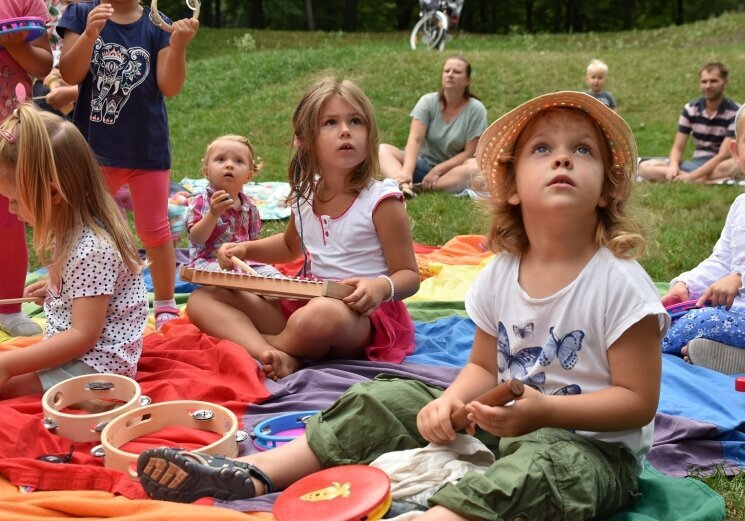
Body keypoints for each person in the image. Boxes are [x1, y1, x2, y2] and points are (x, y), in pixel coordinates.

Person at [136, 91, 669, 520]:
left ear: (605, 189)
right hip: (504, 426)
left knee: (548, 464)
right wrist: (451, 404)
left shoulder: (619, 284)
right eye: (542, 149)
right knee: (385, 399)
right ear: (510, 187)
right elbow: (483, 366)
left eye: (582, 150)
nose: (561, 158)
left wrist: (547, 411)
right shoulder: (500, 274)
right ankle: (253, 473)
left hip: (593, 454)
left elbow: (637, 402)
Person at [185, 77, 420, 380]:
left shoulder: (382, 200)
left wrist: (379, 287)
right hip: (306, 300)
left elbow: (409, 276)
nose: (346, 130)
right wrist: (245, 249)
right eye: (331, 123)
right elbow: (288, 247)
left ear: (369, 134)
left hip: (360, 317)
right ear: (306, 138)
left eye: (356, 121)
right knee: (202, 299)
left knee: (320, 316)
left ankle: (281, 348)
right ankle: (270, 353)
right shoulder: (305, 196)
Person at [57, 0, 198, 330]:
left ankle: (164, 305)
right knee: (84, 229)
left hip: (146, 149)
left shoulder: (156, 23)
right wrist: (90, 33)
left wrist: (177, 47)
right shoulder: (80, 14)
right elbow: (70, 72)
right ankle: (77, 297)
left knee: (155, 229)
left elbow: (170, 86)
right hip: (93, 152)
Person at [0, 103, 148, 399]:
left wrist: (8, 363)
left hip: (96, 369)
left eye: (15, 200)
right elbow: (88, 292)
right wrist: (59, 289)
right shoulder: (70, 224)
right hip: (80, 354)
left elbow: (82, 336)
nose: (11, 209)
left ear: (53, 192)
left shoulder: (91, 248)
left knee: (6, 390)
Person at [661, 79, 745, 378]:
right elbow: (721, 260)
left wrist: (743, 280)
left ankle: (704, 347)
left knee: (701, 323)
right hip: (734, 314)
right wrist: (686, 285)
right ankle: (722, 354)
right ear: (736, 151)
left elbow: (735, 274)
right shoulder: (742, 204)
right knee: (662, 317)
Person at [0, 0, 53, 337]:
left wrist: (16, 44)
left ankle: (9, 306)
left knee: (10, 218)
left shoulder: (23, 1)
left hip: (11, 131)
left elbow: (45, 65)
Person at [379, 55, 487, 197]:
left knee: (476, 167)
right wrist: (407, 170)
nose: (450, 74)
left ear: (467, 80)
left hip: (453, 170)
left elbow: (469, 152)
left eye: (457, 72)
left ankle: (422, 187)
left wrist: (438, 170)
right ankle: (404, 185)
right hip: (422, 164)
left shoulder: (477, 109)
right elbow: (415, 140)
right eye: (447, 71)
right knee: (382, 149)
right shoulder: (428, 101)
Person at [186, 134, 281, 277]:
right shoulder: (201, 202)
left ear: (248, 176)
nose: (229, 164)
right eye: (221, 159)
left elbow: (253, 245)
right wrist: (213, 214)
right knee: (227, 278)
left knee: (274, 276)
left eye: (238, 161)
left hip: (242, 264)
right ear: (207, 171)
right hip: (208, 263)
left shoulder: (250, 208)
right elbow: (197, 237)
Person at [637, 62, 740, 183]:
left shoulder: (736, 112)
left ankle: (690, 178)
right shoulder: (691, 109)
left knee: (739, 164)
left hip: (720, 164)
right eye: (704, 82)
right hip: (696, 163)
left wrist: (691, 177)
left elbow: (723, 155)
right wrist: (673, 167)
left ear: (725, 82)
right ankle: (703, 180)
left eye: (713, 81)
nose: (708, 85)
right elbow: (678, 148)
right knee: (644, 168)